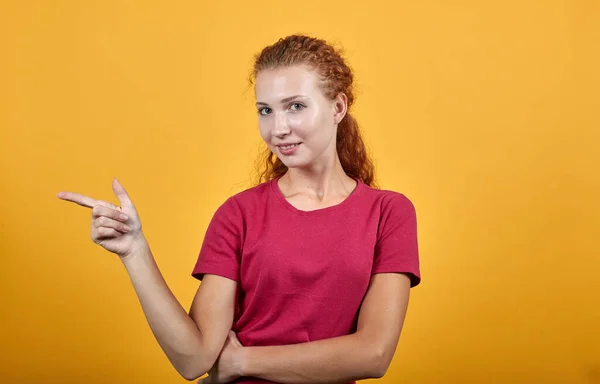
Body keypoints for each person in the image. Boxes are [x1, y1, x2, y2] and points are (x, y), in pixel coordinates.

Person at [56, 34, 421, 384]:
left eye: (296, 106)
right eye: (266, 110)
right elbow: (194, 358)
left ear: (338, 107)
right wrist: (135, 251)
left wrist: (242, 360)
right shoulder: (238, 214)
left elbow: (374, 354)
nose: (278, 128)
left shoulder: (389, 213)